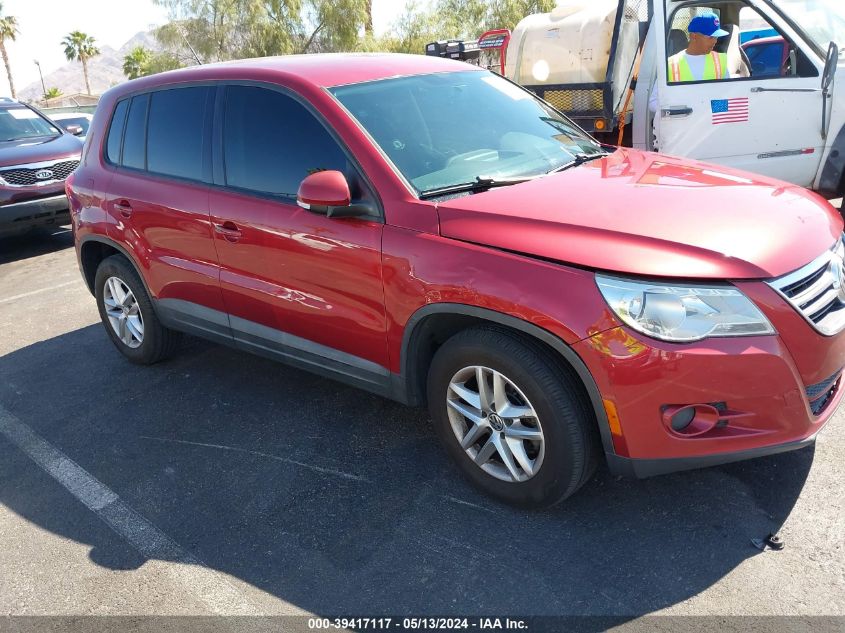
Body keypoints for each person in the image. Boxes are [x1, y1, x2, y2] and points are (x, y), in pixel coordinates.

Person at [648, 12, 731, 116]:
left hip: (711, 126)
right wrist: (682, 110)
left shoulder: (719, 61)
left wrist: (706, 112)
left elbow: (728, 97)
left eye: (716, 37)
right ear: (694, 36)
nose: (715, 41)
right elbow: (653, 103)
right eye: (710, 37)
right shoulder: (671, 65)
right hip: (683, 128)